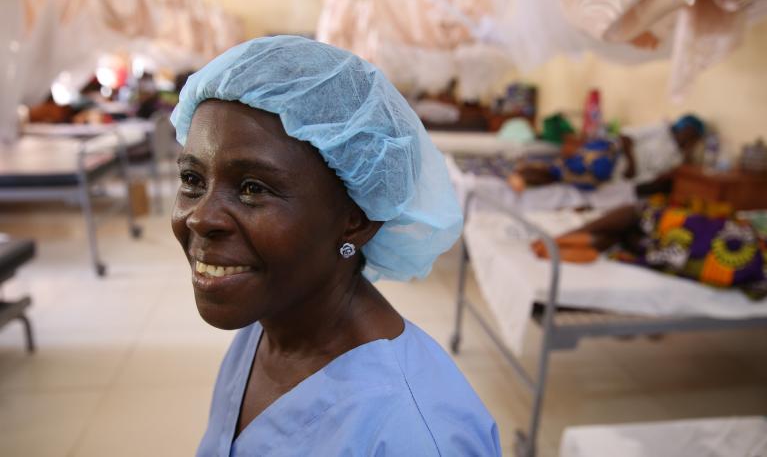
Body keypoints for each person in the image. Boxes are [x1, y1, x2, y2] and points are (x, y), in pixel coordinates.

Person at [169, 36, 501, 456]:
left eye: (253, 188)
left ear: (355, 220)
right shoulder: (268, 324)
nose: (200, 217)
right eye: (193, 180)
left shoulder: (413, 433)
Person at [531, 199, 767, 299]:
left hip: (685, 240)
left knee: (634, 213)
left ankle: (555, 242)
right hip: (664, 247)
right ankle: (556, 248)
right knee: (620, 234)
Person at [506, 114, 706, 196]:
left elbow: (651, 175)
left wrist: (633, 178)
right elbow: (625, 137)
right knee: (569, 167)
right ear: (681, 128)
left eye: (693, 138)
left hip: (620, 175)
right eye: (688, 133)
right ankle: (525, 175)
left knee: (574, 179)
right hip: (615, 155)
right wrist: (633, 164)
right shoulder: (661, 130)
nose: (688, 139)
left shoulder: (678, 158)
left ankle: (531, 180)